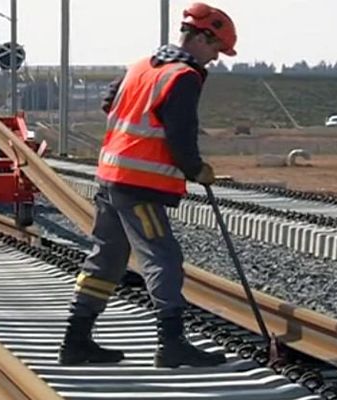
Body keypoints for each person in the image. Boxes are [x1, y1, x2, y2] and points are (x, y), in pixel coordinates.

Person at [58, 2, 237, 368]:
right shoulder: (183, 76)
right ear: (203, 37)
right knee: (162, 257)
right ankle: (171, 343)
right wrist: (195, 169)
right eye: (217, 48)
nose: (216, 58)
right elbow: (180, 134)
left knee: (105, 260)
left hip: (110, 176)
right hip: (139, 183)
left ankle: (75, 340)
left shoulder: (142, 66)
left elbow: (111, 103)